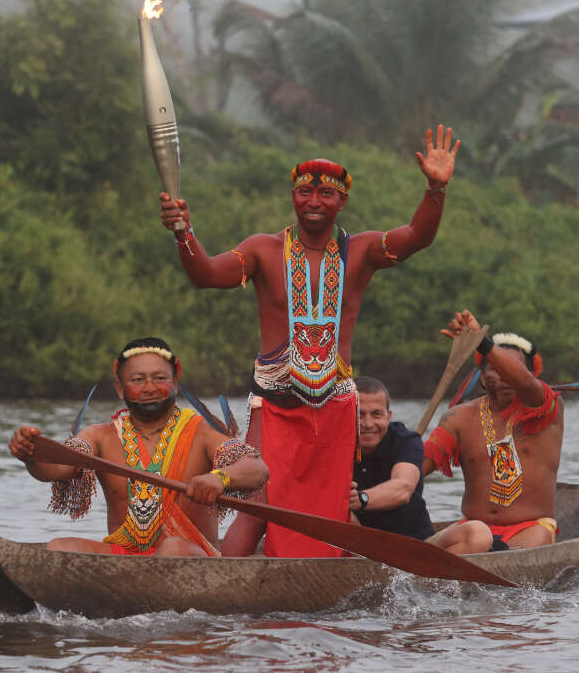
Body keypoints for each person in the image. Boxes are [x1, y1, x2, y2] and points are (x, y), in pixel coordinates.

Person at [158, 126, 461, 557]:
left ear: (342, 201)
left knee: (330, 505)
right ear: (293, 197)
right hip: (274, 400)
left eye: (326, 195)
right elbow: (206, 275)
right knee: (256, 500)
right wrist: (183, 233)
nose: (314, 202)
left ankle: (314, 587)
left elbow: (417, 236)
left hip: (336, 404)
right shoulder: (262, 250)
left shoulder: (362, 250)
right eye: (304, 193)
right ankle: (221, 586)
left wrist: (435, 188)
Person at [7, 337, 268, 556]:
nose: (149, 388)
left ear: (175, 382)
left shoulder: (202, 433)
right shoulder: (100, 436)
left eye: (159, 378)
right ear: (120, 389)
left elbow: (256, 468)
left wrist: (220, 478)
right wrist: (30, 455)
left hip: (189, 556)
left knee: (172, 549)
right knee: (60, 547)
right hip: (125, 556)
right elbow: (57, 468)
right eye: (137, 380)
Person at [421, 311, 563, 554]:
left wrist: (483, 343)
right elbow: (419, 466)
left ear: (530, 374)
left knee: (536, 537)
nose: (503, 376)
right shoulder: (458, 417)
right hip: (473, 528)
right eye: (494, 369)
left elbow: (528, 386)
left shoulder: (546, 407)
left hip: (530, 529)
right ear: (483, 375)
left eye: (513, 369)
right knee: (474, 536)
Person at [346, 377, 435, 540]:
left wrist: (360, 499)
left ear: (389, 416)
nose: (367, 423)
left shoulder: (407, 441)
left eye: (376, 414)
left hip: (419, 545)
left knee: (476, 532)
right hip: (363, 547)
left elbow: (402, 490)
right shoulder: (335, 444)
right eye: (359, 414)